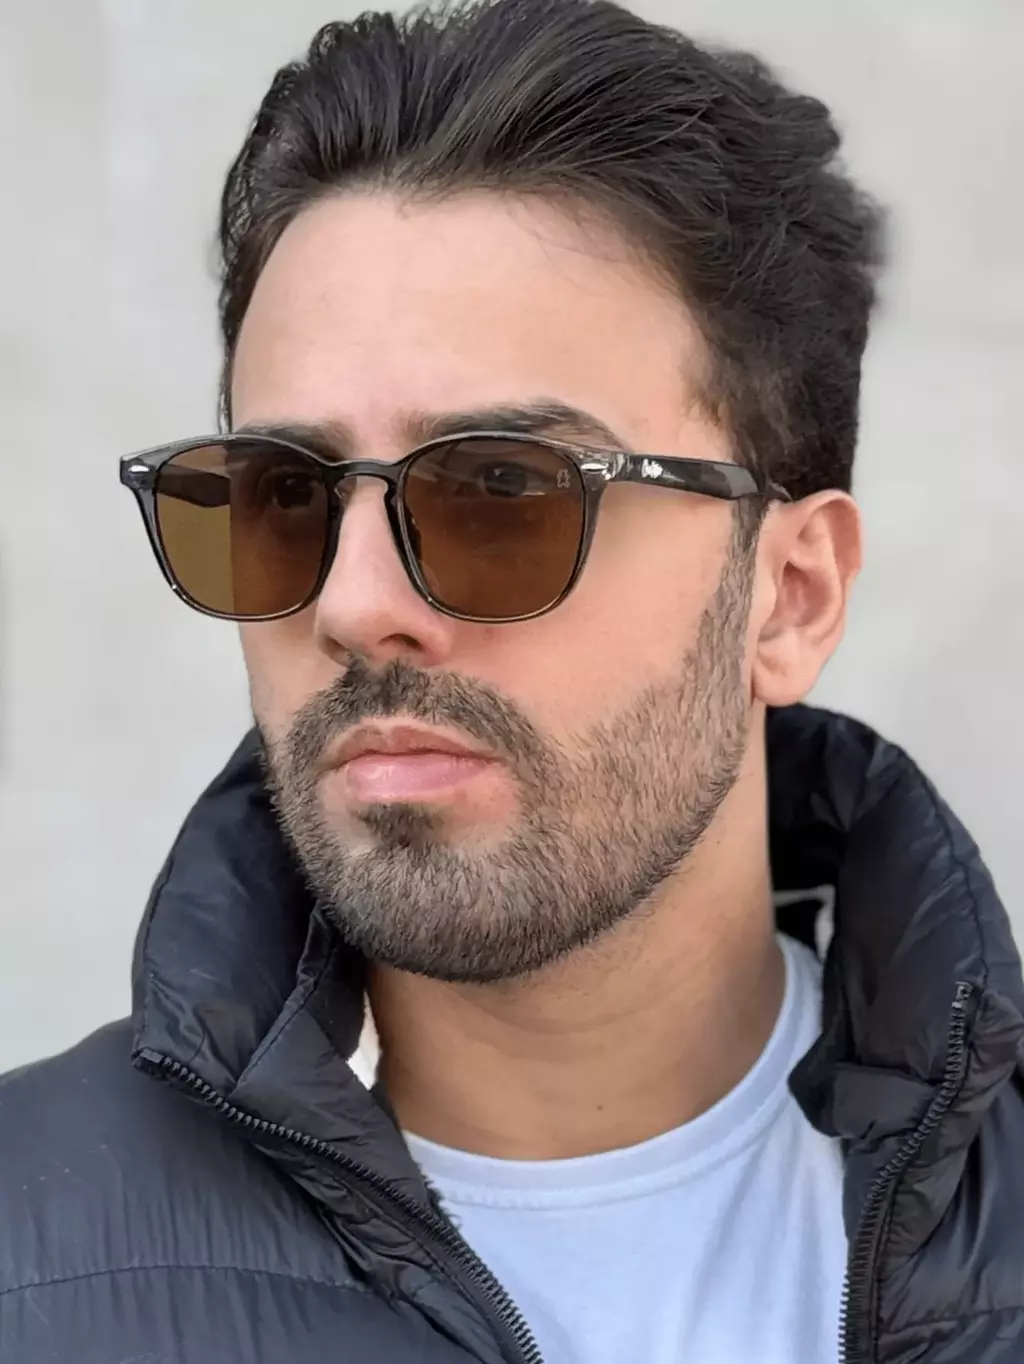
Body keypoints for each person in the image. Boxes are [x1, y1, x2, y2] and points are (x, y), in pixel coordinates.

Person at [2, 0, 1022, 1360]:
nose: (357, 605)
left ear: (790, 593)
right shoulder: (29, 1263)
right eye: (284, 497)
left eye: (501, 490)